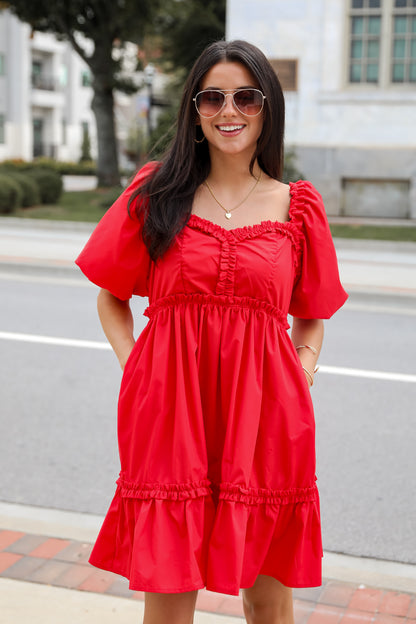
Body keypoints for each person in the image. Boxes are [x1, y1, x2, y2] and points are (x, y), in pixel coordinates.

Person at [76, 39, 348, 624]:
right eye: (213, 97)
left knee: (269, 600)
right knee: (170, 595)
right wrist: (139, 370)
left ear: (266, 108)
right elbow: (111, 297)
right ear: (195, 111)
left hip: (270, 416)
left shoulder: (296, 206)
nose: (230, 111)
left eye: (246, 97)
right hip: (170, 415)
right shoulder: (158, 192)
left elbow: (312, 311)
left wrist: (301, 366)